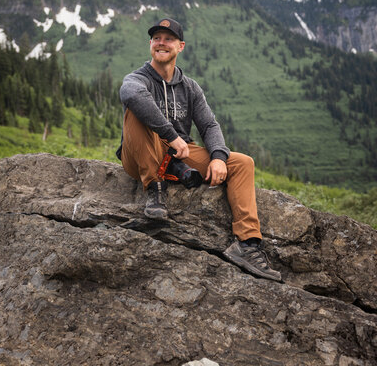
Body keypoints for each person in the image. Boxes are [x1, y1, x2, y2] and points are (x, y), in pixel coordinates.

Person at [118, 17, 281, 282]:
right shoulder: (138, 79)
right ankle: (154, 190)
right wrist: (172, 136)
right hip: (140, 156)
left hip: (178, 157)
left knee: (242, 163)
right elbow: (132, 95)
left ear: (180, 46)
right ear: (150, 44)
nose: (162, 43)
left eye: (168, 39)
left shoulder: (190, 87)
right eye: (157, 38)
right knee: (137, 112)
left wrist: (218, 157)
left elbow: (208, 124)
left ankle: (247, 244)